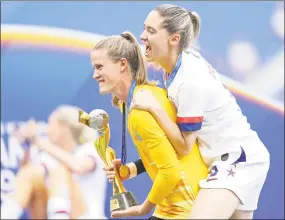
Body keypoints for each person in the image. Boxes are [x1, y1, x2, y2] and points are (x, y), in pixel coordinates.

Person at [127, 4, 270, 219]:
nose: (143, 36)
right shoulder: (178, 66)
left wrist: (154, 107)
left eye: (151, 31)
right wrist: (134, 168)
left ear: (174, 39)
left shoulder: (188, 81)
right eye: (145, 28)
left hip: (237, 160)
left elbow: (184, 147)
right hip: (241, 157)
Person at [91, 31, 208, 219]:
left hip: (183, 210)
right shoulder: (144, 96)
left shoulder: (139, 111)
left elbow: (171, 172)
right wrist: (130, 170)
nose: (95, 75)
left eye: (99, 67)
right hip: (179, 207)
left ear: (122, 64)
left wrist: (143, 209)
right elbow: (167, 153)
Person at [0, 105, 107, 219]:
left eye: (50, 124)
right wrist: (28, 145)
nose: (47, 130)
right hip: (49, 213)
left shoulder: (90, 148)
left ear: (63, 128)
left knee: (60, 170)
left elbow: (78, 166)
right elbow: (27, 178)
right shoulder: (48, 155)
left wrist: (39, 142)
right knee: (31, 172)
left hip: (86, 216)